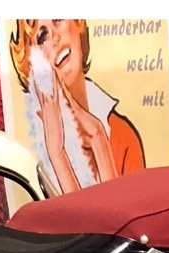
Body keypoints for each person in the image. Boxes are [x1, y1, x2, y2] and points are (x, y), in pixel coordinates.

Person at [9, 19, 146, 194]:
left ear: (78, 25)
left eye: (59, 19)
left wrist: (98, 138)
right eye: (43, 36)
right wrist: (58, 154)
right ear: (32, 66)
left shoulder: (122, 136)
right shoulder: (30, 154)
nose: (55, 38)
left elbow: (120, 210)